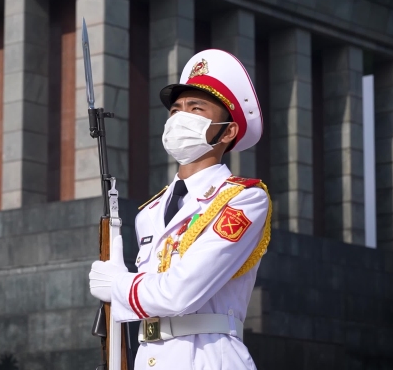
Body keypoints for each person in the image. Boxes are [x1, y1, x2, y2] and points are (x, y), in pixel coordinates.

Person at [89, 49, 271, 369]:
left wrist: (118, 285)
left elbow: (180, 293)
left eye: (196, 108)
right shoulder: (150, 212)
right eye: (175, 109)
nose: (179, 117)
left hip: (208, 356)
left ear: (227, 130)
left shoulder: (243, 200)